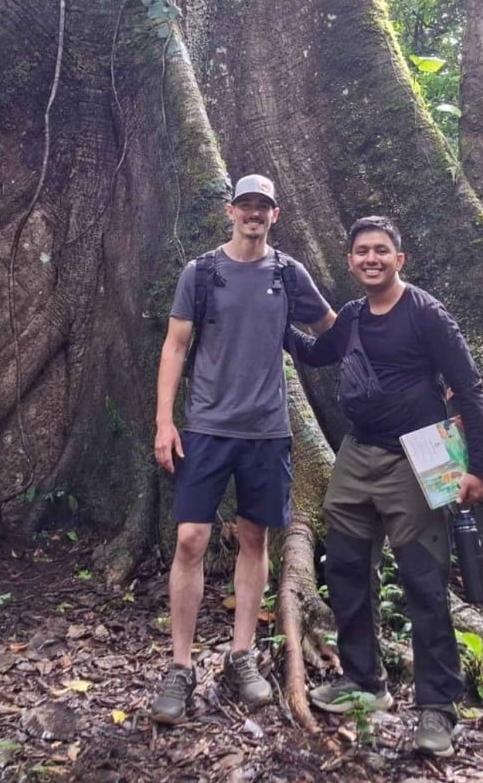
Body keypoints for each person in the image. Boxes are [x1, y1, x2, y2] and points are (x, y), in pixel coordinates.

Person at [288, 215, 483, 757]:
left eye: (381, 250)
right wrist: (272, 317)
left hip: (418, 457)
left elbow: (469, 388)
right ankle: (363, 680)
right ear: (351, 260)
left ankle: (437, 708)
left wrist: (478, 466)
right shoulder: (353, 317)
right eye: (361, 251)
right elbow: (314, 353)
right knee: (346, 568)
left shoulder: (426, 315)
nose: (371, 258)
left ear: (399, 259)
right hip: (357, 454)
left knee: (424, 581)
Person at [149, 174, 335, 725]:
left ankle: (241, 655)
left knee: (255, 537)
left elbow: (330, 328)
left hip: (268, 430)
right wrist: (164, 422)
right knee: (190, 539)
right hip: (207, 426)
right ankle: (180, 667)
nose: (254, 214)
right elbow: (175, 344)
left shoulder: (288, 273)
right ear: (231, 210)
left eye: (263, 207)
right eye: (246, 205)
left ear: (275, 215)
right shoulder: (201, 272)